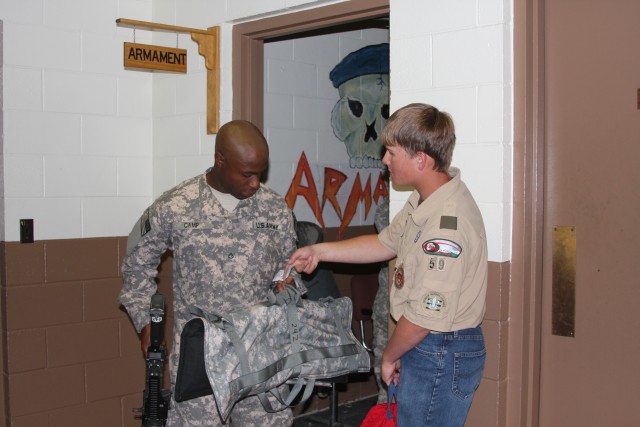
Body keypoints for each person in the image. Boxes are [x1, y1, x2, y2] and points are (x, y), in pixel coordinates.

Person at [287, 103, 488, 427]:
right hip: (427, 344)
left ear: (420, 159)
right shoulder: (425, 199)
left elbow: (424, 317)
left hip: (438, 347)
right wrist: (319, 251)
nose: (384, 160)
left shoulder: (445, 225)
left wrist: (390, 355)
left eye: (392, 153)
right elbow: (385, 242)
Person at [119, 120, 297, 427]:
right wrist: (145, 321)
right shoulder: (176, 205)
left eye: (260, 173)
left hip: (261, 354)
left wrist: (286, 292)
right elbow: (136, 266)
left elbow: (290, 268)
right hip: (198, 355)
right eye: (247, 174)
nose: (255, 183)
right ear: (220, 161)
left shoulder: (274, 208)